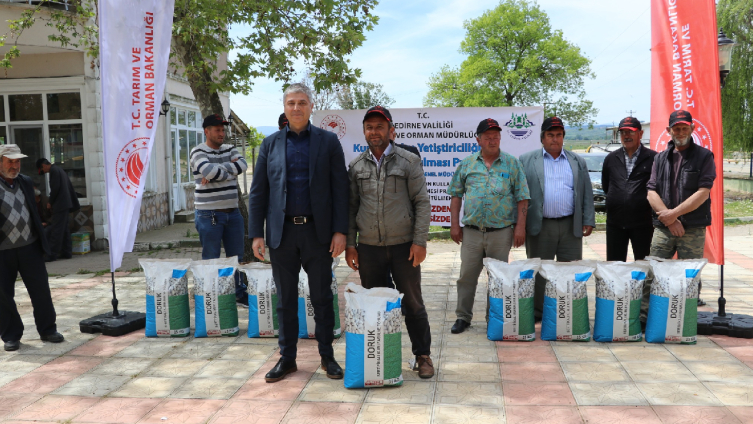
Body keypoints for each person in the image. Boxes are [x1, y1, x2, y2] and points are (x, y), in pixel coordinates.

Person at [249, 83, 349, 383]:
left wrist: (340, 231)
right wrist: (256, 234)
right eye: (291, 102)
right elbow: (258, 193)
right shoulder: (269, 145)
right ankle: (288, 358)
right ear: (284, 107)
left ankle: (327, 357)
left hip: (318, 234)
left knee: (321, 297)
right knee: (285, 301)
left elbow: (340, 191)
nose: (296, 108)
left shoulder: (328, 142)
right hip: (282, 235)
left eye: (302, 102)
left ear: (311, 106)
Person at [344, 106, 434, 378]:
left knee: (413, 304)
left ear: (390, 130)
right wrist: (351, 244)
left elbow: (422, 202)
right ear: (364, 132)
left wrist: (420, 241)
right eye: (369, 127)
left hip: (404, 246)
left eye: (379, 127)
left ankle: (423, 356)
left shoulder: (408, 162)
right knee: (376, 304)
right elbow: (351, 208)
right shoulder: (357, 166)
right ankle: (381, 356)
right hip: (369, 248)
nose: (374, 132)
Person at [446, 118, 531, 334]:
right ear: (478, 140)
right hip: (472, 232)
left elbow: (523, 197)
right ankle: (463, 317)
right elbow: (456, 195)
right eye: (487, 137)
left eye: (496, 136)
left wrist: (520, 228)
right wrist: (454, 225)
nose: (493, 140)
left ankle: (493, 317)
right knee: (466, 276)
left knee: (498, 278)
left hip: (501, 232)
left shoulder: (512, 163)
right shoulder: (467, 164)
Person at [519, 116, 595, 320]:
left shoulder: (576, 160)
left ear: (563, 137)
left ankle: (567, 311)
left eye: (559, 135)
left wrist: (588, 218)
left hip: (570, 225)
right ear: (542, 138)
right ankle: (538, 313)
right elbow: (519, 195)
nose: (555, 139)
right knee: (540, 272)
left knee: (569, 272)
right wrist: (518, 225)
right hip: (540, 225)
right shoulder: (526, 160)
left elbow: (586, 191)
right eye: (550, 135)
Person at [645, 109, 715, 312]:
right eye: (677, 128)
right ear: (669, 130)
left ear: (692, 128)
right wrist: (669, 219)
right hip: (663, 227)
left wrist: (674, 214)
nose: (681, 132)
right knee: (654, 274)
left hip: (692, 228)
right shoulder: (660, 158)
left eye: (685, 128)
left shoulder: (704, 156)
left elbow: (703, 192)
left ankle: (686, 323)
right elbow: (651, 192)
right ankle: (647, 319)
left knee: (689, 278)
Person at [1, 145, 64, 351]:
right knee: (3, 296)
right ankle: (11, 335)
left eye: (17, 161)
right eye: (10, 161)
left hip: (30, 247)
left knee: (41, 291)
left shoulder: (26, 182)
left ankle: (48, 329)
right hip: (3, 252)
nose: (14, 165)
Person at [190, 114, 249, 307]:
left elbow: (243, 165)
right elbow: (210, 172)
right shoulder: (197, 151)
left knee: (236, 258)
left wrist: (218, 171)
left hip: (233, 213)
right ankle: (211, 296)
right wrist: (228, 172)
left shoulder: (230, 148)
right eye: (217, 130)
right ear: (206, 131)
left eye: (223, 130)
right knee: (211, 258)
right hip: (209, 215)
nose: (222, 133)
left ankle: (239, 293)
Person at [602, 117, 657, 261]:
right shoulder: (611, 159)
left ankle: (644, 285)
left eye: (631, 132)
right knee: (615, 268)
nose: (626, 136)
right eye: (623, 132)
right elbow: (607, 186)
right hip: (616, 224)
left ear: (640, 133)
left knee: (645, 267)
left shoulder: (654, 158)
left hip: (644, 224)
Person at [36, 158, 80, 261]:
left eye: (42, 170)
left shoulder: (54, 171)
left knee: (56, 230)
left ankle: (51, 255)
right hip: (65, 203)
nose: (44, 172)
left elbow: (55, 188)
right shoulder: (59, 169)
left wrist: (50, 202)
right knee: (64, 230)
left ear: (44, 165)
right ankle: (67, 252)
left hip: (60, 205)